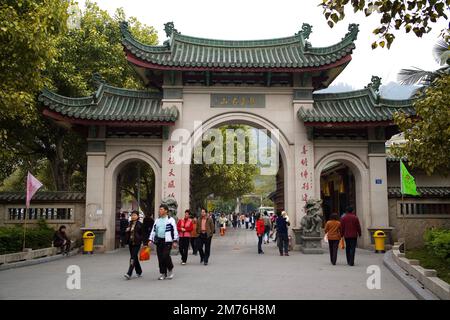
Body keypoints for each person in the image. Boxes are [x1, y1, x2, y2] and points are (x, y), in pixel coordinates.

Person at [149, 204, 179, 280]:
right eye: (159, 209)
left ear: (166, 211)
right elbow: (153, 230)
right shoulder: (157, 220)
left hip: (168, 241)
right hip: (159, 241)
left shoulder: (170, 219)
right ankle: (163, 273)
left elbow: (175, 230)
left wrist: (175, 241)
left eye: (161, 209)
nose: (160, 211)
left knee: (165, 255)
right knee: (160, 257)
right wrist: (150, 240)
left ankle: (170, 269)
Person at [123, 210, 144, 280]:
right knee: (134, 257)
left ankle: (129, 273)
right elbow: (125, 232)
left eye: (135, 215)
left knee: (132, 257)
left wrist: (141, 240)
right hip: (130, 243)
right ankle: (139, 271)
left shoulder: (140, 224)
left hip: (137, 243)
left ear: (138, 216)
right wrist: (126, 230)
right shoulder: (129, 223)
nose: (133, 216)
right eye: (132, 215)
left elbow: (142, 234)